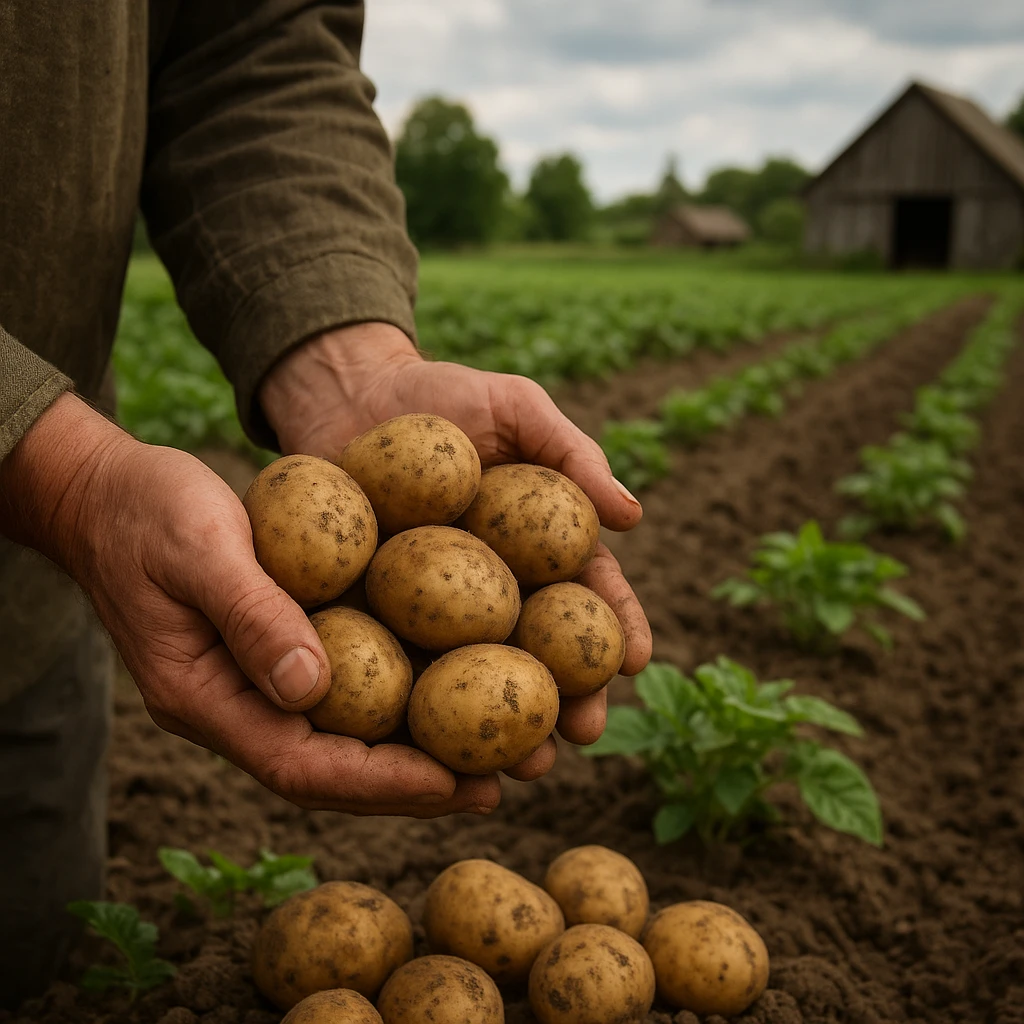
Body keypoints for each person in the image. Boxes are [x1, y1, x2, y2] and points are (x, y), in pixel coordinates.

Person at [0, 0, 652, 1008]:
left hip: (18, 607)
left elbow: (250, 40)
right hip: (43, 502)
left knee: (35, 967)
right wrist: (61, 470)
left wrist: (347, 356)